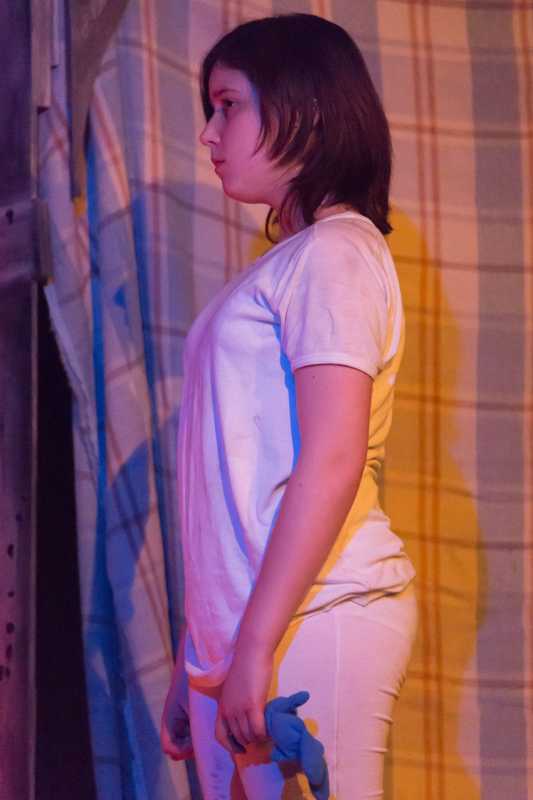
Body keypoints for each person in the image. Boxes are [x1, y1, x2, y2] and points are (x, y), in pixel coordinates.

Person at [161, 13, 417, 800]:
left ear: (303, 107)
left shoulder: (335, 253)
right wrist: (199, 653)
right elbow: (236, 479)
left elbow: (332, 457)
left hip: (317, 611)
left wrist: (251, 647)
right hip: (251, 631)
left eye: (228, 105)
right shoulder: (292, 262)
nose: (209, 134)